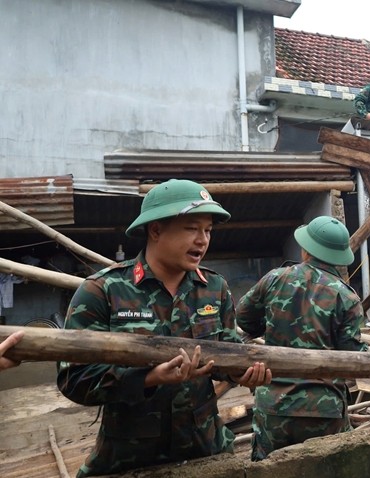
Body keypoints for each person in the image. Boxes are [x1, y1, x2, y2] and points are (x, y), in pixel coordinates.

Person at [57, 179, 272, 477]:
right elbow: (74, 378)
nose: (203, 240)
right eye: (191, 228)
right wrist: (148, 378)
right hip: (129, 459)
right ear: (156, 230)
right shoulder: (103, 291)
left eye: (208, 230)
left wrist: (241, 371)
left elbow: (226, 352)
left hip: (205, 453)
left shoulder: (215, 289)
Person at [236, 216, 370, 461]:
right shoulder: (347, 297)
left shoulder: (274, 279)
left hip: (274, 406)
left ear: (305, 250)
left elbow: (244, 320)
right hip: (324, 409)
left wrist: (273, 327)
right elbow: (351, 358)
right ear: (339, 256)